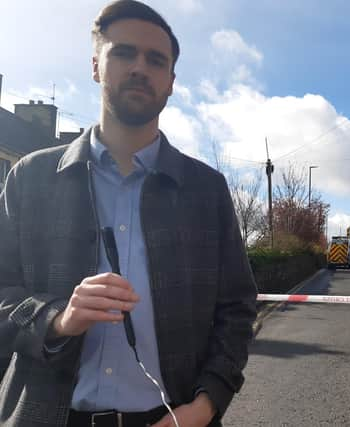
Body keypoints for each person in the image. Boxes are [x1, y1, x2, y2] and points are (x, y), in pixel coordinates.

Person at [0, 1, 257, 426]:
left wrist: (206, 406)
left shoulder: (206, 190)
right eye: (123, 52)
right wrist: (56, 319)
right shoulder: (30, 179)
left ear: (171, 82)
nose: (140, 67)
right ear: (96, 66)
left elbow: (237, 309)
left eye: (156, 60)